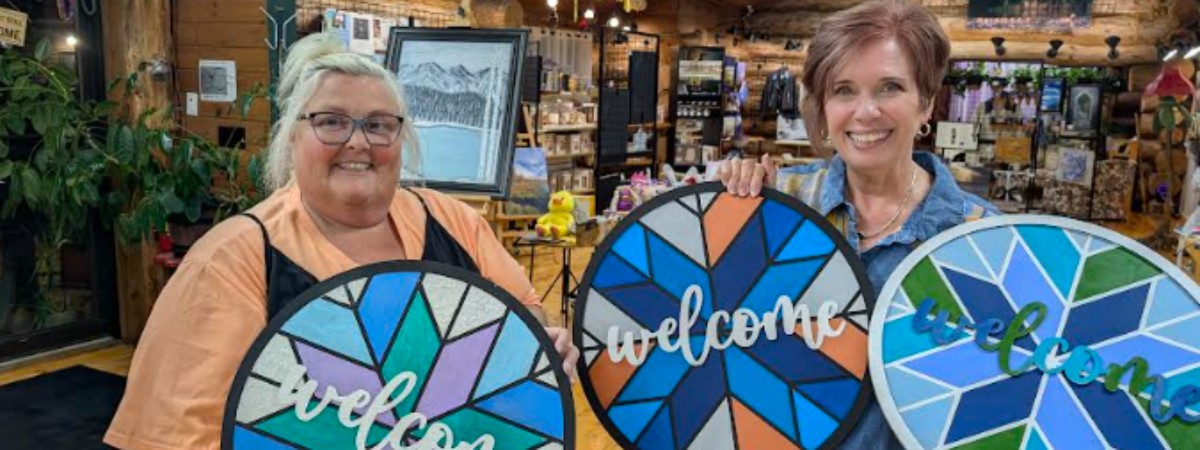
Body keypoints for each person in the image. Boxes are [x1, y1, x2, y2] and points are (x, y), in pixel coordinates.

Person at [104, 32, 579, 450]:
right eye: (331, 121)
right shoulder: (234, 259)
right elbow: (178, 437)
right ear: (291, 137)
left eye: (378, 124)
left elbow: (522, 310)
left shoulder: (452, 220)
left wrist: (539, 350)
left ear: (401, 138)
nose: (358, 142)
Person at [718, 1, 997, 448]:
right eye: (843, 90)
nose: (865, 112)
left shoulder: (983, 239)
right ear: (824, 107)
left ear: (925, 102)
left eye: (889, 87)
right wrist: (717, 215)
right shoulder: (779, 207)